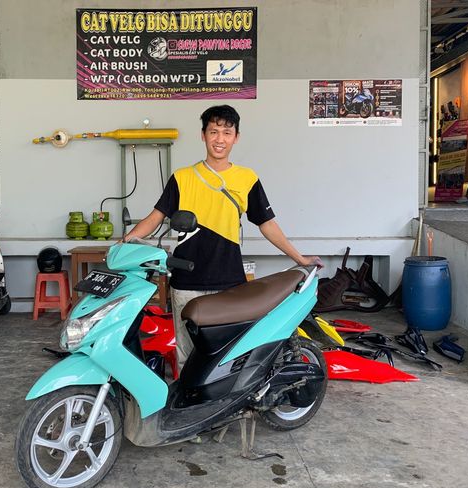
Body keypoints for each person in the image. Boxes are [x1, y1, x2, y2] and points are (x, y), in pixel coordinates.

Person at [123, 105, 323, 369]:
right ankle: (188, 407)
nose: (220, 139)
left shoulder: (247, 178)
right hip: (186, 281)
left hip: (230, 281)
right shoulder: (182, 178)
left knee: (229, 354)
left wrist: (300, 258)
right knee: (187, 355)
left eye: (227, 132)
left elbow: (267, 224)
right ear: (203, 135)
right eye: (213, 131)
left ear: (236, 137)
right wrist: (124, 243)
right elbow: (155, 217)